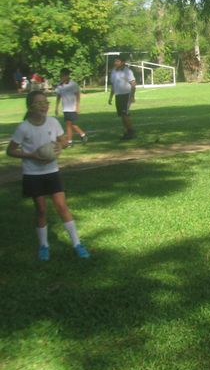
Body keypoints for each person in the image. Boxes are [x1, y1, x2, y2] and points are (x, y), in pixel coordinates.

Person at [6, 90, 90, 261]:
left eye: (46, 102)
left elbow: (63, 141)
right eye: (39, 103)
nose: (44, 106)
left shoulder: (52, 122)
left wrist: (60, 146)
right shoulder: (24, 127)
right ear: (30, 107)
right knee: (41, 210)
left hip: (52, 171)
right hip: (33, 174)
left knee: (62, 206)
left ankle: (77, 244)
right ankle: (44, 245)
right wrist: (32, 155)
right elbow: (11, 150)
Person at [54, 68, 88, 144]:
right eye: (61, 76)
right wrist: (56, 107)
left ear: (67, 76)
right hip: (65, 108)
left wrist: (77, 106)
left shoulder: (73, 84)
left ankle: (76, 138)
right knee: (70, 125)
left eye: (63, 76)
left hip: (72, 108)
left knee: (71, 125)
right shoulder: (60, 85)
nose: (61, 77)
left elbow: (77, 95)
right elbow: (58, 96)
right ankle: (77, 137)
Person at [108, 54, 137, 139]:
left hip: (126, 95)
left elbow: (133, 84)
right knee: (122, 115)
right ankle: (126, 133)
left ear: (123, 62)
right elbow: (113, 86)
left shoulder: (127, 71)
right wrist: (110, 97)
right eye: (115, 61)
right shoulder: (113, 71)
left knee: (125, 114)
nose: (115, 63)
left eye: (118, 61)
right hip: (118, 95)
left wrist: (132, 96)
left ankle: (131, 131)